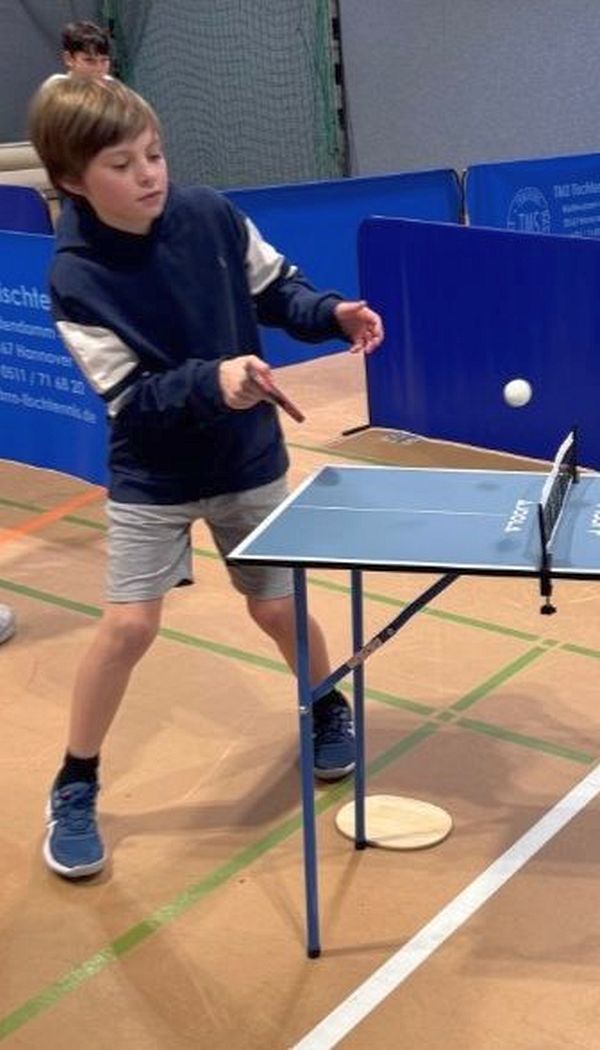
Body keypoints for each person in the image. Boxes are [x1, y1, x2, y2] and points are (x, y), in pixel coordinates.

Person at [27, 75, 384, 881]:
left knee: (277, 606)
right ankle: (75, 782)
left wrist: (329, 313)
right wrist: (213, 381)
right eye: (122, 165)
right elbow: (130, 398)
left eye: (153, 154)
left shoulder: (210, 214)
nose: (148, 175)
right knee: (129, 628)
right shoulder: (75, 277)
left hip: (245, 458)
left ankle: (326, 704)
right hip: (153, 474)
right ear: (73, 181)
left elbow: (276, 286)